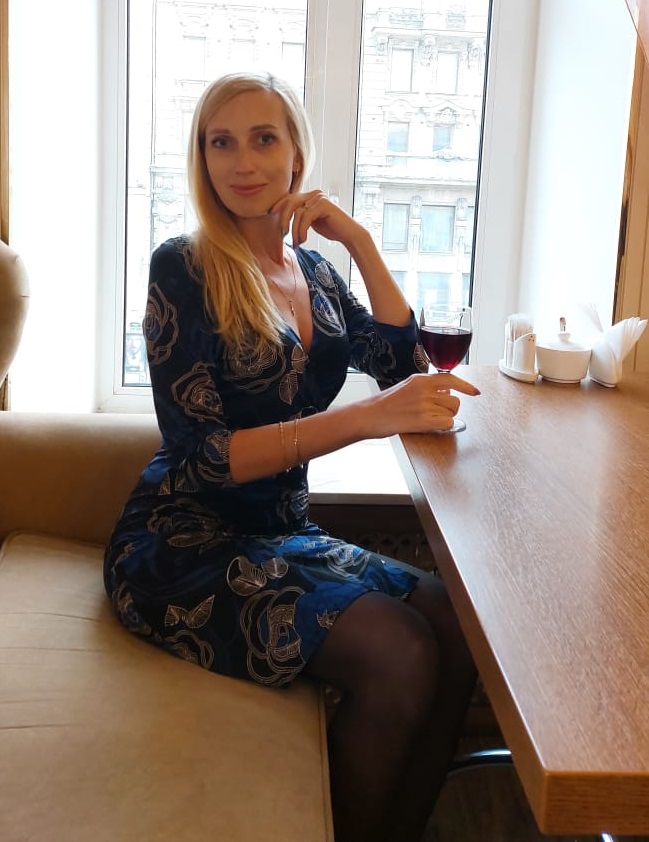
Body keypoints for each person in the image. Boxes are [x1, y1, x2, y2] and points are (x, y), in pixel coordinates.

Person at [104, 71, 480, 842]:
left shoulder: (315, 273)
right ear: (202, 158)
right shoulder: (183, 267)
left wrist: (360, 242)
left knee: (452, 622)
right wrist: (363, 420)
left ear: (296, 155)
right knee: (400, 650)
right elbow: (203, 458)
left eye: (263, 139)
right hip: (181, 544)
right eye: (221, 142)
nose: (242, 162)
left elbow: (402, 366)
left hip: (281, 535)